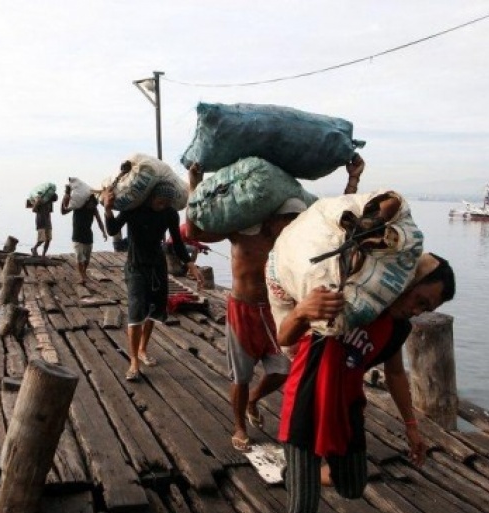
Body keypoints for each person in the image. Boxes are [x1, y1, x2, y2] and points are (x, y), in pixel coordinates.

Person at [277, 253, 456, 513]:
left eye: (427, 308)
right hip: (307, 400)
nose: (418, 310)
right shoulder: (349, 298)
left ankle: (303, 475)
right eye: (420, 300)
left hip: (348, 407)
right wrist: (302, 310)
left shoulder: (399, 328)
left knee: (353, 486)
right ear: (406, 280)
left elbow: (395, 373)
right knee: (303, 503)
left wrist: (412, 427)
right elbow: (285, 336)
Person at [186, 155, 366, 453]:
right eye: (287, 220)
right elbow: (193, 232)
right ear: (273, 218)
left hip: (276, 311)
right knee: (240, 377)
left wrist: (354, 179)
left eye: (296, 220)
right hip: (241, 309)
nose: (291, 226)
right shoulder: (241, 231)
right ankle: (239, 426)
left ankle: (255, 400)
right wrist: (195, 186)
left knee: (282, 370)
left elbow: (340, 220)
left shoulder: (295, 242)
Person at [103, 183, 204, 382]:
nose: (163, 205)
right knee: (135, 312)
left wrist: (190, 263)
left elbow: (176, 241)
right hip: (136, 266)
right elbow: (113, 228)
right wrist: (107, 209)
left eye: (167, 202)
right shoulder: (133, 209)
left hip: (158, 266)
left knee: (152, 310)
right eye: (160, 201)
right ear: (150, 198)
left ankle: (142, 349)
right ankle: (133, 362)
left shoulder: (169, 214)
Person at [61, 186, 107, 283]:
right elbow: (64, 211)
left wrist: (103, 232)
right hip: (77, 237)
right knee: (79, 257)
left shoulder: (93, 209)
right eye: (91, 204)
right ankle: (82, 276)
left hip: (88, 237)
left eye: (94, 205)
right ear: (87, 202)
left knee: (86, 260)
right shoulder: (78, 206)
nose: (92, 206)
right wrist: (67, 194)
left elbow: (99, 220)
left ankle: (84, 273)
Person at [30, 191, 56, 256]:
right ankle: (34, 248)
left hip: (48, 222)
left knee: (48, 239)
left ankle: (43, 254)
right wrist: (37, 202)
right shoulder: (39, 199)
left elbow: (50, 211)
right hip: (40, 221)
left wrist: (49, 221)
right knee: (41, 239)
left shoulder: (50, 202)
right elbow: (33, 210)